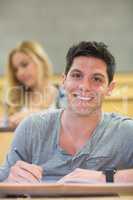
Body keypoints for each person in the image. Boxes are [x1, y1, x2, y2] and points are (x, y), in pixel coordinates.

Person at [0, 41, 133, 183]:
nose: (84, 86)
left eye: (96, 79)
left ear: (110, 88)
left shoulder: (125, 132)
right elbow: (3, 182)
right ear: (64, 80)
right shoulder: (31, 128)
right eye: (76, 75)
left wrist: (105, 177)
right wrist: (9, 181)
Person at [0, 41, 58, 129]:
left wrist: (34, 116)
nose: (20, 73)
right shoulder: (13, 100)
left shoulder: (63, 95)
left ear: (41, 61)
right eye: (16, 70)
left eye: (24, 65)